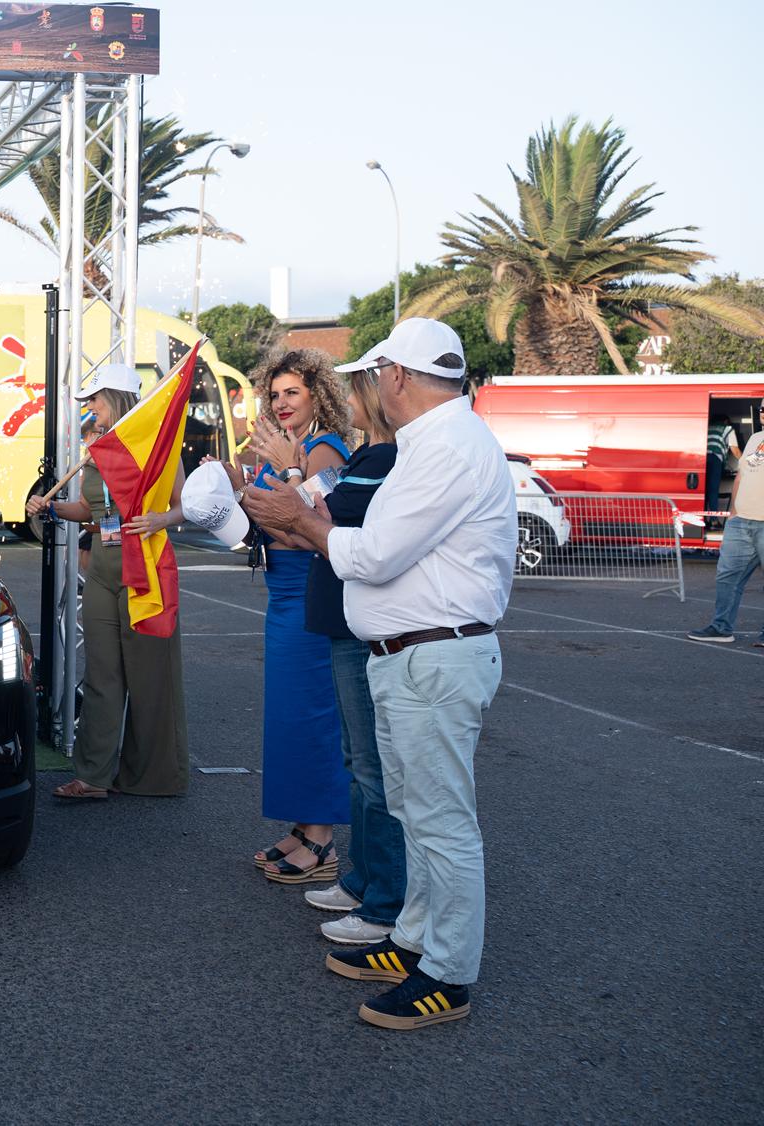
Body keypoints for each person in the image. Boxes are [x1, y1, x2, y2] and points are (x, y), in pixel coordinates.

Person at [242, 316, 516, 1031]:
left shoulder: (447, 447)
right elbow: (371, 542)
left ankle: (446, 974)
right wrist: (308, 519)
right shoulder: (437, 442)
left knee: (440, 824)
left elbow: (373, 554)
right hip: (414, 653)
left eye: (372, 376)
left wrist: (301, 522)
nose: (369, 388)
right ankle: (416, 943)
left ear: (397, 376)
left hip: (433, 654)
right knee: (418, 815)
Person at [23, 367, 189, 801]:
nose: (88, 408)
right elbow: (91, 508)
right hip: (101, 567)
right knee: (102, 676)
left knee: (150, 676)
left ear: (113, 397)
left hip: (145, 567)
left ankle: (153, 777)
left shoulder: (158, 444)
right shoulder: (98, 449)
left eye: (93, 399)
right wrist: (52, 507)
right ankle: (93, 776)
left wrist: (160, 520)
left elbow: (183, 506)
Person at [235, 349, 354, 885]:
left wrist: (272, 509)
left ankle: (323, 840)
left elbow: (311, 526)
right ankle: (303, 826)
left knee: (314, 717)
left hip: (310, 593)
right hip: (282, 594)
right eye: (276, 394)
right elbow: (272, 522)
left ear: (318, 397)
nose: (281, 403)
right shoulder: (282, 450)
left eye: (293, 393)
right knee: (288, 717)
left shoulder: (325, 449)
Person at [299, 366, 406, 946]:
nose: (345, 400)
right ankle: (365, 881)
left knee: (373, 768)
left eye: (353, 390)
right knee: (360, 762)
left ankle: (385, 901)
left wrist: (293, 477)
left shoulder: (381, 460)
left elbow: (317, 520)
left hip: (360, 627)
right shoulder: (368, 458)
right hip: (349, 624)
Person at [689, 419, 764, 646]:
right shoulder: (756, 439)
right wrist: (733, 513)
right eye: (763, 409)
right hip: (741, 522)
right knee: (727, 577)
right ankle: (721, 628)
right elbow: (742, 475)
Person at [706, 414, 738, 516]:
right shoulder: (727, 429)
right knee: (713, 489)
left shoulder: (707, 427)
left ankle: (704, 519)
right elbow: (735, 450)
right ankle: (714, 520)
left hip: (702, 459)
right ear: (725, 421)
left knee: (704, 490)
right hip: (715, 458)